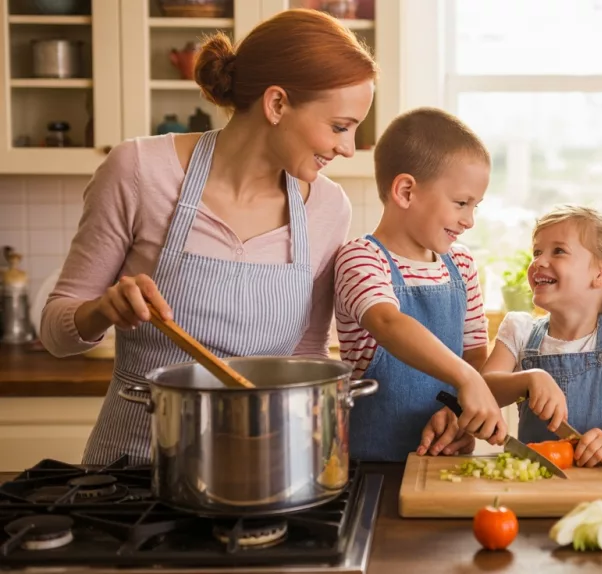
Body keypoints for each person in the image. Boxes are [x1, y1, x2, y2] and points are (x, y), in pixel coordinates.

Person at [39, 9, 378, 465]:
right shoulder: (139, 171)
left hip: (257, 473)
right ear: (277, 104)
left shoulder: (327, 207)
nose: (347, 148)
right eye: (339, 126)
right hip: (130, 472)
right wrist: (101, 310)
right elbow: (55, 333)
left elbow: (308, 354)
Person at [334, 107, 506, 462]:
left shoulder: (462, 265)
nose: (469, 220)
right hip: (372, 470)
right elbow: (388, 322)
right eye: (461, 203)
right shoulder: (362, 259)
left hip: (445, 464)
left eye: (475, 206)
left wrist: (460, 416)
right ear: (406, 191)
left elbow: (475, 355)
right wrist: (467, 379)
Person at [483, 205, 602, 467]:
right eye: (537, 252)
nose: (539, 261)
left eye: (558, 251)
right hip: (535, 479)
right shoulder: (519, 331)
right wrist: (530, 379)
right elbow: (483, 390)